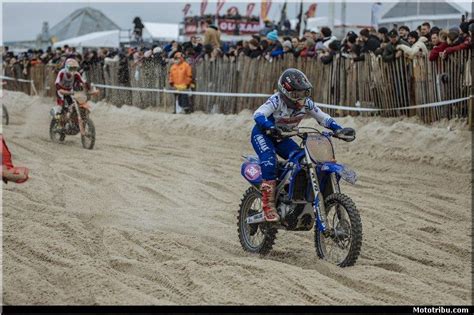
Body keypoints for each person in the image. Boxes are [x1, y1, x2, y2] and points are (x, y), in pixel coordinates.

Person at [251, 68, 348, 222]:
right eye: (297, 94)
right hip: (264, 134)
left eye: (304, 93)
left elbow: (322, 117)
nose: (301, 99)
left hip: (283, 138)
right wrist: (269, 127)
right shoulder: (276, 100)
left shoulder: (307, 104)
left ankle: (293, 190)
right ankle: (268, 205)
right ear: (285, 92)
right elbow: (258, 114)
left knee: (302, 158)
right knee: (269, 160)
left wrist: (339, 129)